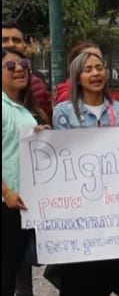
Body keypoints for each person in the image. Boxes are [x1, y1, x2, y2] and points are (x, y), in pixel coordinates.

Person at [49, 51, 119, 295]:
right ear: (77, 77)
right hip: (81, 211)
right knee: (83, 280)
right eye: (88, 69)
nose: (95, 73)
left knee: (118, 274)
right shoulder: (64, 112)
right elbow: (62, 158)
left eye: (99, 68)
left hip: (115, 208)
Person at [2, 48, 49, 296]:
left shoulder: (22, 107)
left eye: (23, 63)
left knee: (11, 270)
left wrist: (39, 135)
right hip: (7, 204)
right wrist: (7, 192)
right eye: (10, 66)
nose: (19, 68)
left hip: (20, 204)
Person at [1, 23, 51, 118]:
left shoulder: (37, 86)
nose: (11, 44)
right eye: (4, 40)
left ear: (24, 48)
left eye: (16, 40)